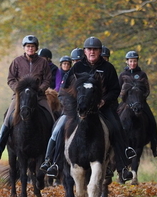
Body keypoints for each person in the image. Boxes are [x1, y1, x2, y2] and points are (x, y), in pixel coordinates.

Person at [40, 36, 136, 181]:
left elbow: (115, 90)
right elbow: (64, 89)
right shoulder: (77, 68)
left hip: (102, 108)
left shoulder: (108, 68)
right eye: (89, 49)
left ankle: (122, 167)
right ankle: (52, 162)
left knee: (116, 127)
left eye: (95, 50)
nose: (92, 52)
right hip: (78, 109)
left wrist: (104, 100)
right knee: (59, 128)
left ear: (99, 51)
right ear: (84, 51)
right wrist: (70, 105)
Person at [0, 35, 54, 160]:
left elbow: (47, 79)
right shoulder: (17, 61)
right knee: (8, 118)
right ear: (24, 48)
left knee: (51, 119)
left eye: (32, 46)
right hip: (19, 97)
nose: (30, 48)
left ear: (36, 48)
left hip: (39, 97)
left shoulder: (43, 62)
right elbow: (10, 79)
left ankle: (53, 153)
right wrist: (18, 90)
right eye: (28, 46)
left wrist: (40, 89)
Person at [118, 50, 157, 157]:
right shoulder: (123, 75)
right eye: (131, 61)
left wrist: (140, 99)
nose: (133, 63)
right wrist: (124, 96)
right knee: (115, 118)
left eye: (134, 61)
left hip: (140, 102)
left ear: (137, 62)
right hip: (126, 102)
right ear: (127, 62)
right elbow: (118, 89)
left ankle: (155, 146)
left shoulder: (142, 74)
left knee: (151, 120)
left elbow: (147, 90)